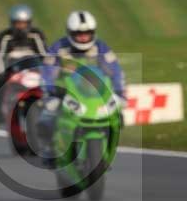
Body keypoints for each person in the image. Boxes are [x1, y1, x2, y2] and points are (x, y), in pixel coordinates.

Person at [39, 10, 126, 162]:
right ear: (70, 33)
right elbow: (46, 73)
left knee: (118, 116)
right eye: (79, 34)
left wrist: (119, 92)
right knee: (46, 117)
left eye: (87, 33)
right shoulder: (58, 48)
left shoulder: (101, 48)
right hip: (65, 92)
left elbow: (116, 71)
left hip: (94, 93)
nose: (84, 37)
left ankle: (107, 147)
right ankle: (50, 148)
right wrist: (49, 93)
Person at [0, 5, 47, 124]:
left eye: (24, 24)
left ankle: (48, 113)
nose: (21, 27)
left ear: (29, 23)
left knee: (49, 87)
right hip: (13, 68)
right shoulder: (5, 37)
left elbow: (44, 55)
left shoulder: (36, 35)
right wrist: (2, 74)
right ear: (12, 23)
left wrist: (48, 71)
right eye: (18, 24)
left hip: (33, 67)